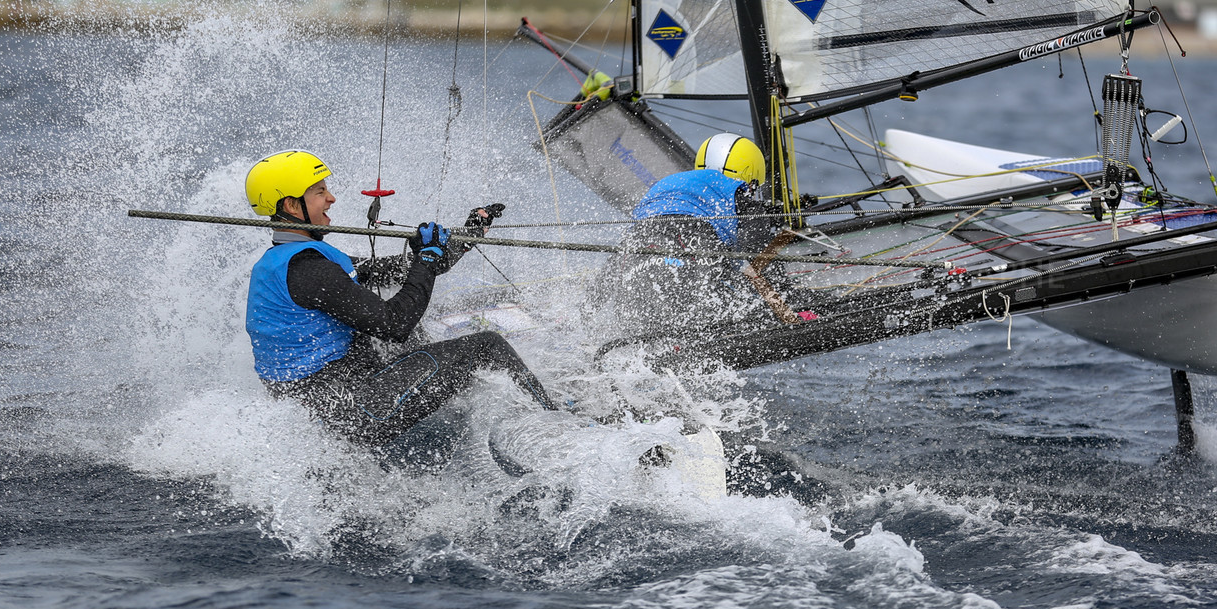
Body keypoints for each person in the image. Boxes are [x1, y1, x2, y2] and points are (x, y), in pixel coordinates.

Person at [243, 150, 557, 447]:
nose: (331, 198)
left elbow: (405, 271)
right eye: (319, 192)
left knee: (419, 338)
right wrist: (428, 256)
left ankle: (512, 406)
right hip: (356, 414)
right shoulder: (309, 270)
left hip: (328, 407)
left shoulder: (287, 261)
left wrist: (468, 233)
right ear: (292, 206)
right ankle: (555, 424)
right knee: (487, 345)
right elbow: (395, 324)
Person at [615, 134, 813, 329]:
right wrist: (789, 299)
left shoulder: (670, 184)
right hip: (692, 245)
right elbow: (759, 257)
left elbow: (615, 265)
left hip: (637, 258)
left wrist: (587, 310)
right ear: (749, 178)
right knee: (737, 303)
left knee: (646, 307)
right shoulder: (734, 191)